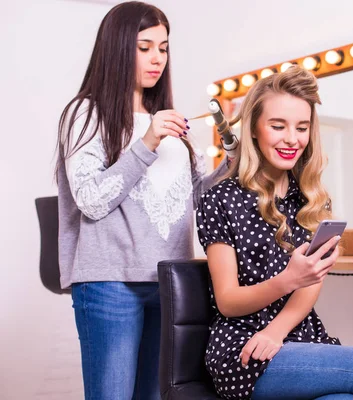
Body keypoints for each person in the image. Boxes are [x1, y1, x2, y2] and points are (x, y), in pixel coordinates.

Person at [197, 66, 353, 400]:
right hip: (243, 348)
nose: (292, 139)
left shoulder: (311, 198)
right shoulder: (221, 198)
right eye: (278, 126)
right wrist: (288, 280)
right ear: (253, 129)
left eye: (302, 127)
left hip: (296, 337)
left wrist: (277, 331)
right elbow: (227, 301)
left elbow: (311, 286)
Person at [55, 2, 227, 399]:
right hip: (110, 284)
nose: (157, 59)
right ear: (117, 47)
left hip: (172, 282)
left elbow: (199, 197)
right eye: (145, 47)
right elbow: (91, 201)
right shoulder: (85, 114)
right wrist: (147, 140)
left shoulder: (173, 124)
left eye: (163, 48)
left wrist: (231, 165)